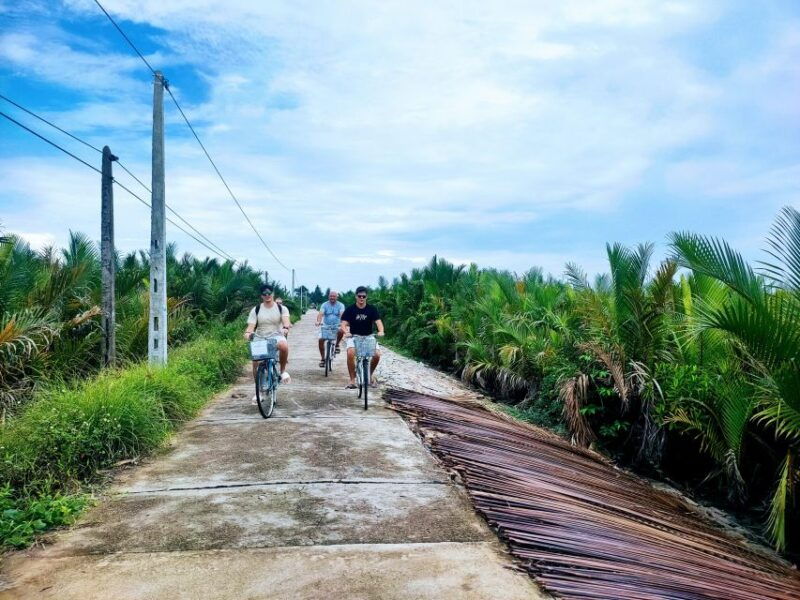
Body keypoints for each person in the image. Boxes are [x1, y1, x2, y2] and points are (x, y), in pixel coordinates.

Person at [243, 285, 292, 403]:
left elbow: (286, 322)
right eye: (264, 293)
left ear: (273, 294)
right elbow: (250, 327)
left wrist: (285, 328)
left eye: (269, 293)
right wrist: (248, 333)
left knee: (284, 346)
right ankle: (259, 391)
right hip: (260, 336)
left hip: (275, 335)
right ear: (261, 296)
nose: (267, 295)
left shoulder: (281, 308)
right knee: (256, 362)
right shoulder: (256, 309)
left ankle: (282, 371)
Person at [340, 286, 384, 389]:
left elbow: (378, 322)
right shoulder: (350, 309)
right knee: (350, 353)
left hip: (369, 336)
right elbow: (343, 324)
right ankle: (352, 380)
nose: (361, 298)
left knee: (377, 355)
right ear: (356, 296)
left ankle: (369, 374)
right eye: (359, 296)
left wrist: (381, 331)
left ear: (366, 297)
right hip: (354, 336)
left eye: (363, 296)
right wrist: (346, 332)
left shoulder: (372, 309)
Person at [315, 290, 345, 366]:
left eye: (334, 296)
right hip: (326, 325)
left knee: (341, 331)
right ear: (328, 296)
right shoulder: (324, 305)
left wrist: (342, 323)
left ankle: (337, 345)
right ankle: (323, 359)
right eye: (331, 296)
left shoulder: (341, 305)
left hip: (336, 325)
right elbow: (320, 314)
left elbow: (342, 314)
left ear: (337, 297)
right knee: (321, 339)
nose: (332, 297)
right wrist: (318, 321)